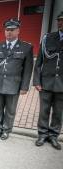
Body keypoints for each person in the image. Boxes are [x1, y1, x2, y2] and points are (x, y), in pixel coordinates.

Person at [0, 18, 33, 140]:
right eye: (7, 30)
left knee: (10, 110)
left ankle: (6, 130)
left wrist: (24, 87)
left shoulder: (26, 47)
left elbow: (28, 70)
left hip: (14, 85)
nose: (9, 32)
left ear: (18, 31)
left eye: (12, 30)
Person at [33, 11, 63, 150]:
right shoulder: (48, 38)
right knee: (43, 111)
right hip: (46, 83)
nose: (60, 22)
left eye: (62, 20)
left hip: (61, 85)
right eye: (59, 20)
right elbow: (39, 62)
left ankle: (54, 136)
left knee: (58, 112)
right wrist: (37, 81)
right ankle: (42, 134)